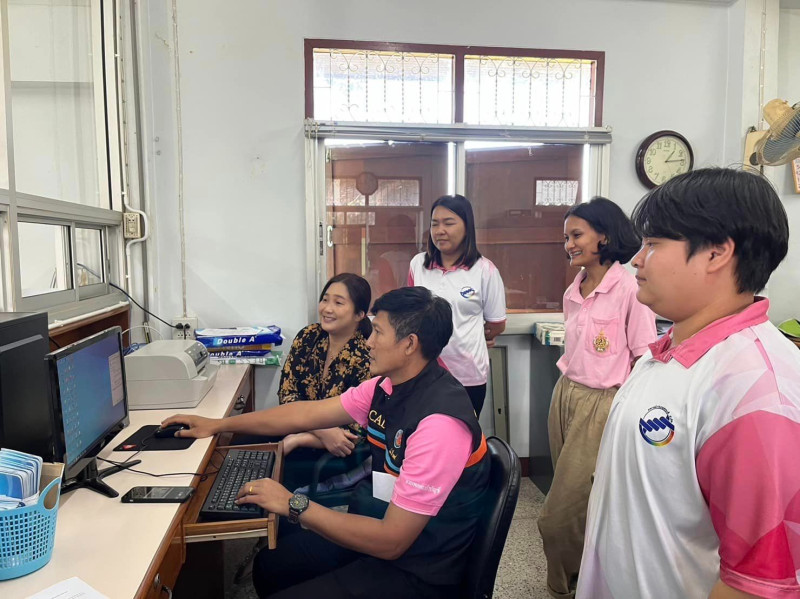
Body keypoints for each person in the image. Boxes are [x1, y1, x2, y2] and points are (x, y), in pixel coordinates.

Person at [163, 287, 490, 599]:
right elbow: (303, 414)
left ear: (409, 344)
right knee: (270, 568)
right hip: (378, 523)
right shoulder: (386, 386)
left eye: (378, 332)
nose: (368, 342)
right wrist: (218, 425)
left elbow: (392, 542)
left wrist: (294, 504)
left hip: (420, 566)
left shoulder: (439, 424)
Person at [576, 168, 800, 599]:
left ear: (716, 253)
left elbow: (756, 585)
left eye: (654, 244)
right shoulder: (666, 352)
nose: (637, 259)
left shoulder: (756, 393)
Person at [537, 197, 657, 598]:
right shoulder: (575, 288)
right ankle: (587, 580)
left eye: (576, 235)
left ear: (603, 236)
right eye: (566, 238)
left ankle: (563, 588)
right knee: (582, 502)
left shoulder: (629, 289)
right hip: (565, 394)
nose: (568, 244)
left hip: (603, 403)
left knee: (557, 518)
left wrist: (628, 413)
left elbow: (644, 357)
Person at [272, 272, 372, 492]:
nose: (327, 308)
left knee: (271, 474)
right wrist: (320, 429)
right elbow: (287, 395)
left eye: (338, 303)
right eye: (325, 300)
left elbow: (354, 432)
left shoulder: (366, 355)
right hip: (303, 434)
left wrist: (299, 439)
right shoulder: (308, 337)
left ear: (359, 314)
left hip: (334, 455)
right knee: (242, 448)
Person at [408, 194, 506, 417]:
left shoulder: (485, 270)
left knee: (462, 433)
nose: (440, 230)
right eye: (435, 224)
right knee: (422, 431)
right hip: (423, 370)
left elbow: (496, 324)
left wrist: (474, 335)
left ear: (467, 227)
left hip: (467, 374)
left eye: (448, 223)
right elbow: (411, 314)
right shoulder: (418, 264)